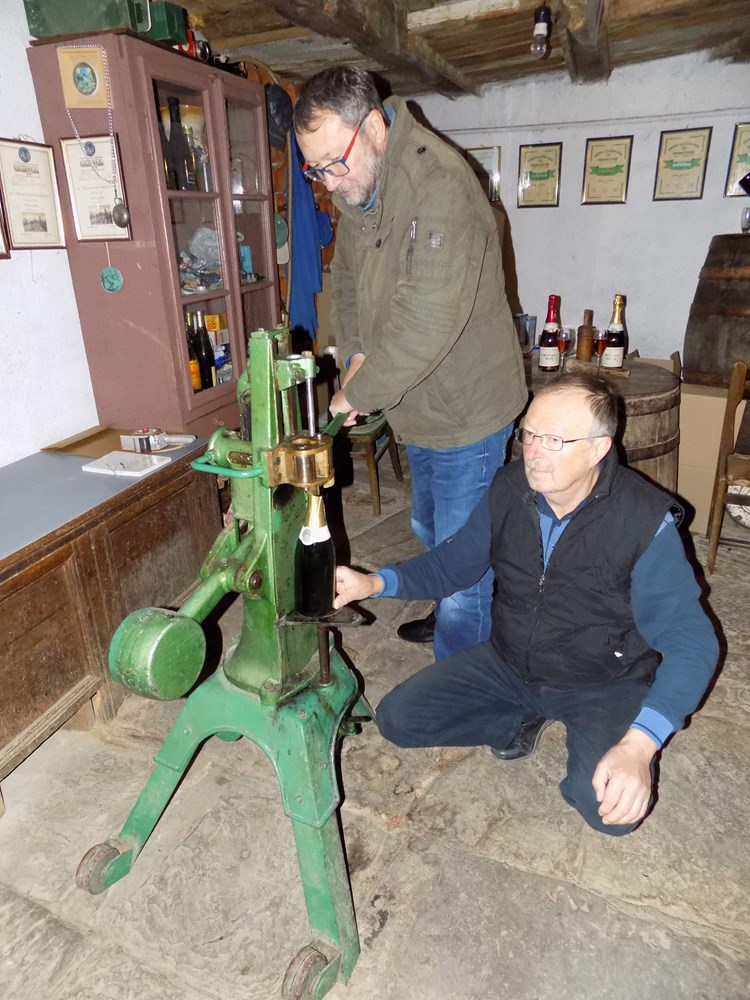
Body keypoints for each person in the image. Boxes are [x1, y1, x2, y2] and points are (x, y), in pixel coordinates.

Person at [333, 373, 719, 835]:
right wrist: (372, 582)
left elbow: (693, 643)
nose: (533, 451)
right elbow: (454, 564)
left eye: (554, 439)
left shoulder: (641, 520)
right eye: (530, 434)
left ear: (599, 449)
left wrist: (640, 744)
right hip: (511, 662)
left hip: (603, 682)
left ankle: (578, 729)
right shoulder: (509, 489)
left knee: (610, 815)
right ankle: (517, 719)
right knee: (400, 719)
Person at [293, 66, 528, 661]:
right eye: (313, 169)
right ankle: (450, 601)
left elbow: (426, 320)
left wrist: (354, 395)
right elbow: (342, 279)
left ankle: (467, 678)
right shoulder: (360, 185)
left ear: (373, 126)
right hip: (414, 402)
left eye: (332, 163)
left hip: (466, 410)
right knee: (430, 531)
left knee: (464, 562)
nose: (327, 182)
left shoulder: (439, 183)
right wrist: (353, 358)